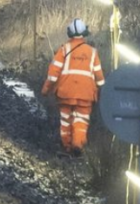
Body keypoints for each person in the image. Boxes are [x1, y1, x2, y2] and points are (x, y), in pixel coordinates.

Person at [41, 18, 105, 156]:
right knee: (81, 121)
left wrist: (46, 89)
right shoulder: (92, 52)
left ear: (69, 33)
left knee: (65, 120)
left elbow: (53, 74)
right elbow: (99, 76)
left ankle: (67, 147)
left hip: (65, 93)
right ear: (84, 33)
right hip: (86, 94)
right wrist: (103, 92)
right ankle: (78, 146)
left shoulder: (64, 49)